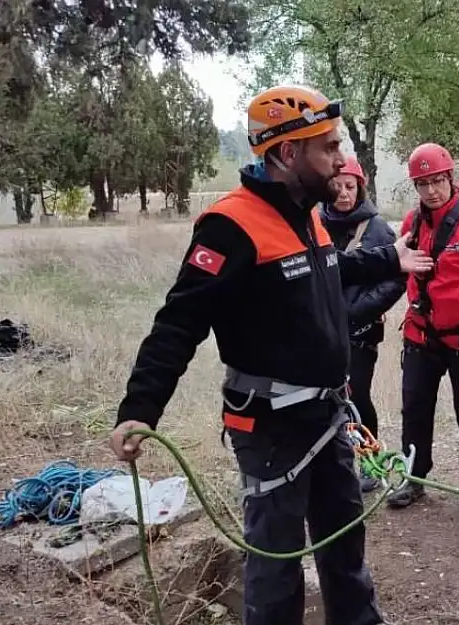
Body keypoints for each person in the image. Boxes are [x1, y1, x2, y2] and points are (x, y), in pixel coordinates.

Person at [107, 84, 433, 625]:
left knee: (344, 548)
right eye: (327, 147)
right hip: (272, 430)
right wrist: (140, 409)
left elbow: (328, 269)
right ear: (287, 153)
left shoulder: (306, 214)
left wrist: (388, 259)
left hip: (328, 417)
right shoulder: (230, 227)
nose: (338, 159)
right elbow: (178, 323)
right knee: (276, 567)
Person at [386, 142, 459, 510]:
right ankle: (413, 476)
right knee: (415, 407)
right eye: (423, 184)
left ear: (451, 179)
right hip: (421, 334)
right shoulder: (412, 224)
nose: (432, 190)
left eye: (437, 181)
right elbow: (399, 269)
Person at [320, 154, 407, 494]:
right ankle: (333, 463)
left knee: (356, 395)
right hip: (322, 331)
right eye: (337, 186)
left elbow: (395, 279)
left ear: (361, 187)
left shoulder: (378, 229)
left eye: (350, 186)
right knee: (325, 399)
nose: (343, 193)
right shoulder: (316, 224)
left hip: (360, 332)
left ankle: (369, 461)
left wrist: (359, 312)